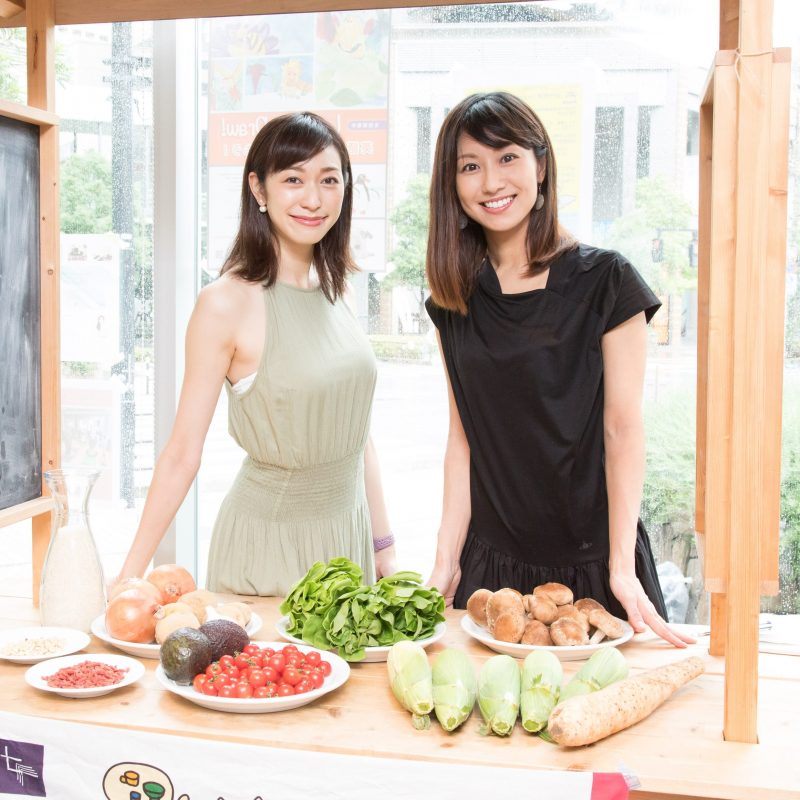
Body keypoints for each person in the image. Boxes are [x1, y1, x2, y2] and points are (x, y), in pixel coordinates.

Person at [424, 92, 692, 647]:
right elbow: (463, 440)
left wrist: (621, 566)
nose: (491, 182)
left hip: (593, 571)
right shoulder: (452, 299)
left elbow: (622, 430)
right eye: (470, 167)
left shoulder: (608, 282)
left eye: (507, 158)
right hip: (490, 574)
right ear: (452, 186)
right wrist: (445, 561)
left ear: (540, 166)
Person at [115, 112, 396, 595]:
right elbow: (182, 453)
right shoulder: (225, 303)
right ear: (259, 191)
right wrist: (128, 577)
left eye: (329, 180)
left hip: (347, 543)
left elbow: (357, 433)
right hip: (270, 548)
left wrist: (384, 546)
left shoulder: (339, 290)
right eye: (293, 179)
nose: (313, 198)